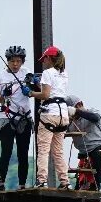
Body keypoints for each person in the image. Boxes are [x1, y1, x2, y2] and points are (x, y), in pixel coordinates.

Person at [30, 45, 74, 187]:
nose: (43, 62)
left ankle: (42, 180)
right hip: (63, 115)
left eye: (44, 59)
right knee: (58, 151)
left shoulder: (47, 73)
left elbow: (45, 95)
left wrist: (30, 93)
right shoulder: (64, 73)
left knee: (43, 149)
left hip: (50, 114)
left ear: (49, 58)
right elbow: (55, 91)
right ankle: (65, 181)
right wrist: (39, 83)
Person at [0, 45, 34, 190]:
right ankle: (1, 183)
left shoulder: (26, 72)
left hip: (24, 118)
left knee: (23, 153)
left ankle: (22, 185)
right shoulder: (0, 76)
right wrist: (4, 94)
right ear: (7, 61)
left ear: (22, 61)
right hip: (7, 117)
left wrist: (31, 85)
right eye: (12, 61)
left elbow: (36, 89)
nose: (15, 64)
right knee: (7, 152)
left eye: (18, 61)